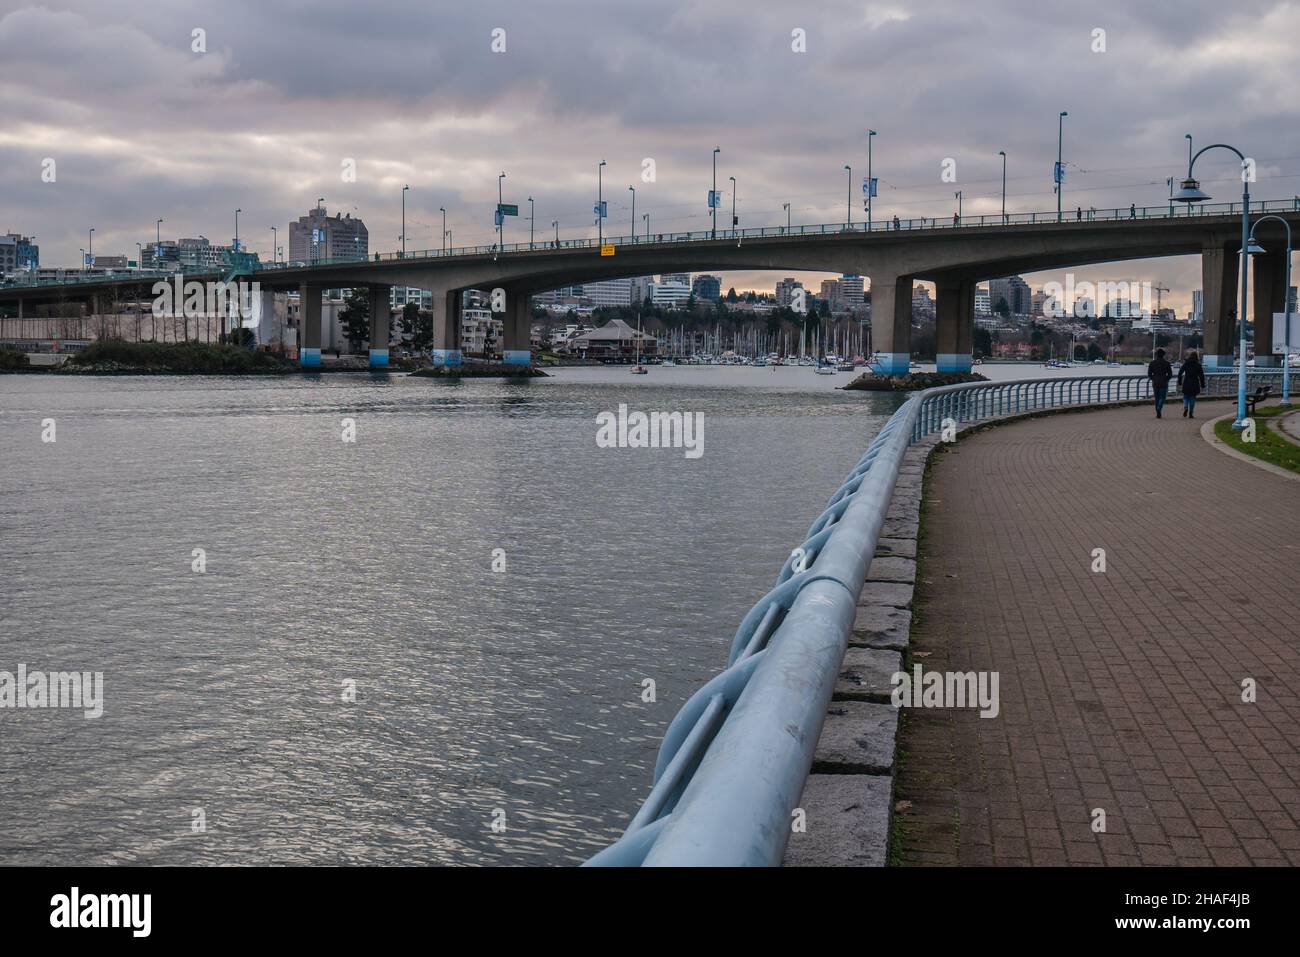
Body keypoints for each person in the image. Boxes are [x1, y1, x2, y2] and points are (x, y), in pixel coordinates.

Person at [1177, 349, 1206, 418]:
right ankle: (1191, 412)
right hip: (1195, 382)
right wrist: (1202, 384)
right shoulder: (1198, 365)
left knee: (1186, 397)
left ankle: (1186, 406)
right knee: (1192, 397)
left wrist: (1180, 381)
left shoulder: (1186, 364)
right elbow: (1201, 376)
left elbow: (1180, 373)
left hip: (1186, 382)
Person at [1147, 347, 1173, 417]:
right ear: (1163, 355)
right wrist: (1166, 379)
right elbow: (1170, 374)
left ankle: (1157, 412)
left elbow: (1149, 374)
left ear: (1156, 355)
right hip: (1164, 382)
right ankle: (1159, 408)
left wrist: (1153, 378)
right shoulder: (1167, 363)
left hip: (1155, 382)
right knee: (1162, 397)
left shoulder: (1152, 363)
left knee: (1157, 398)